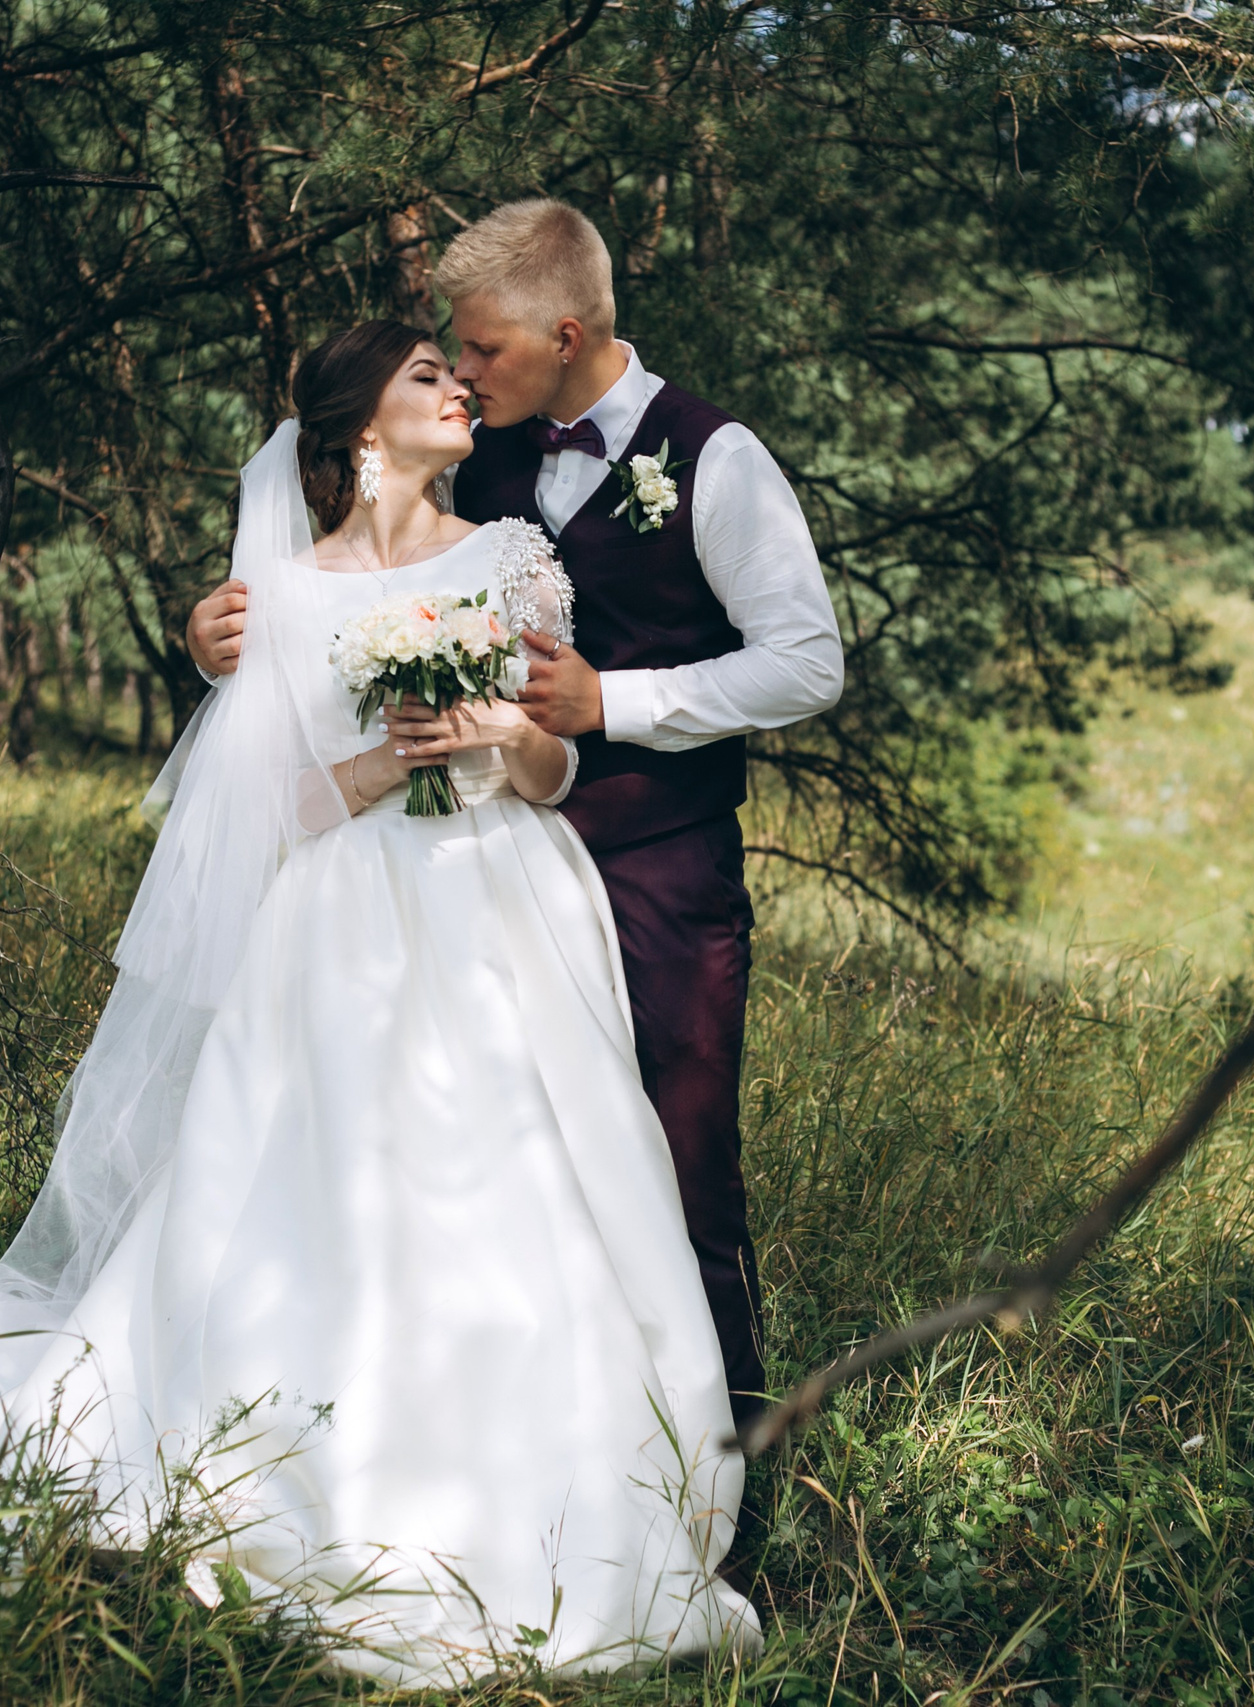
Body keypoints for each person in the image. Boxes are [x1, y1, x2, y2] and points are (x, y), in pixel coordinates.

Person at [0, 321, 760, 1684]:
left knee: (532, 1185)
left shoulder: (510, 559)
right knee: (326, 1192)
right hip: (344, 924)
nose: (457, 390)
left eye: (455, 373)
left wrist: (495, 734)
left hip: (509, 903)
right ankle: (307, 1472)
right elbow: (270, 809)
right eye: (427, 374)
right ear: (362, 425)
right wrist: (384, 761)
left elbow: (553, 768)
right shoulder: (276, 595)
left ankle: (569, 1488)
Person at [189, 200, 844, 1433]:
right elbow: (346, 559)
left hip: (651, 861)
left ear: (562, 330)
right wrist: (216, 635)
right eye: (451, 357)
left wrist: (614, 702)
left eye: (480, 350)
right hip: (461, 867)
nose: (465, 373)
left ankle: (724, 1445)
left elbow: (806, 664)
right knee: (476, 1172)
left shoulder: (716, 458)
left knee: (673, 1155)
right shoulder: (471, 446)